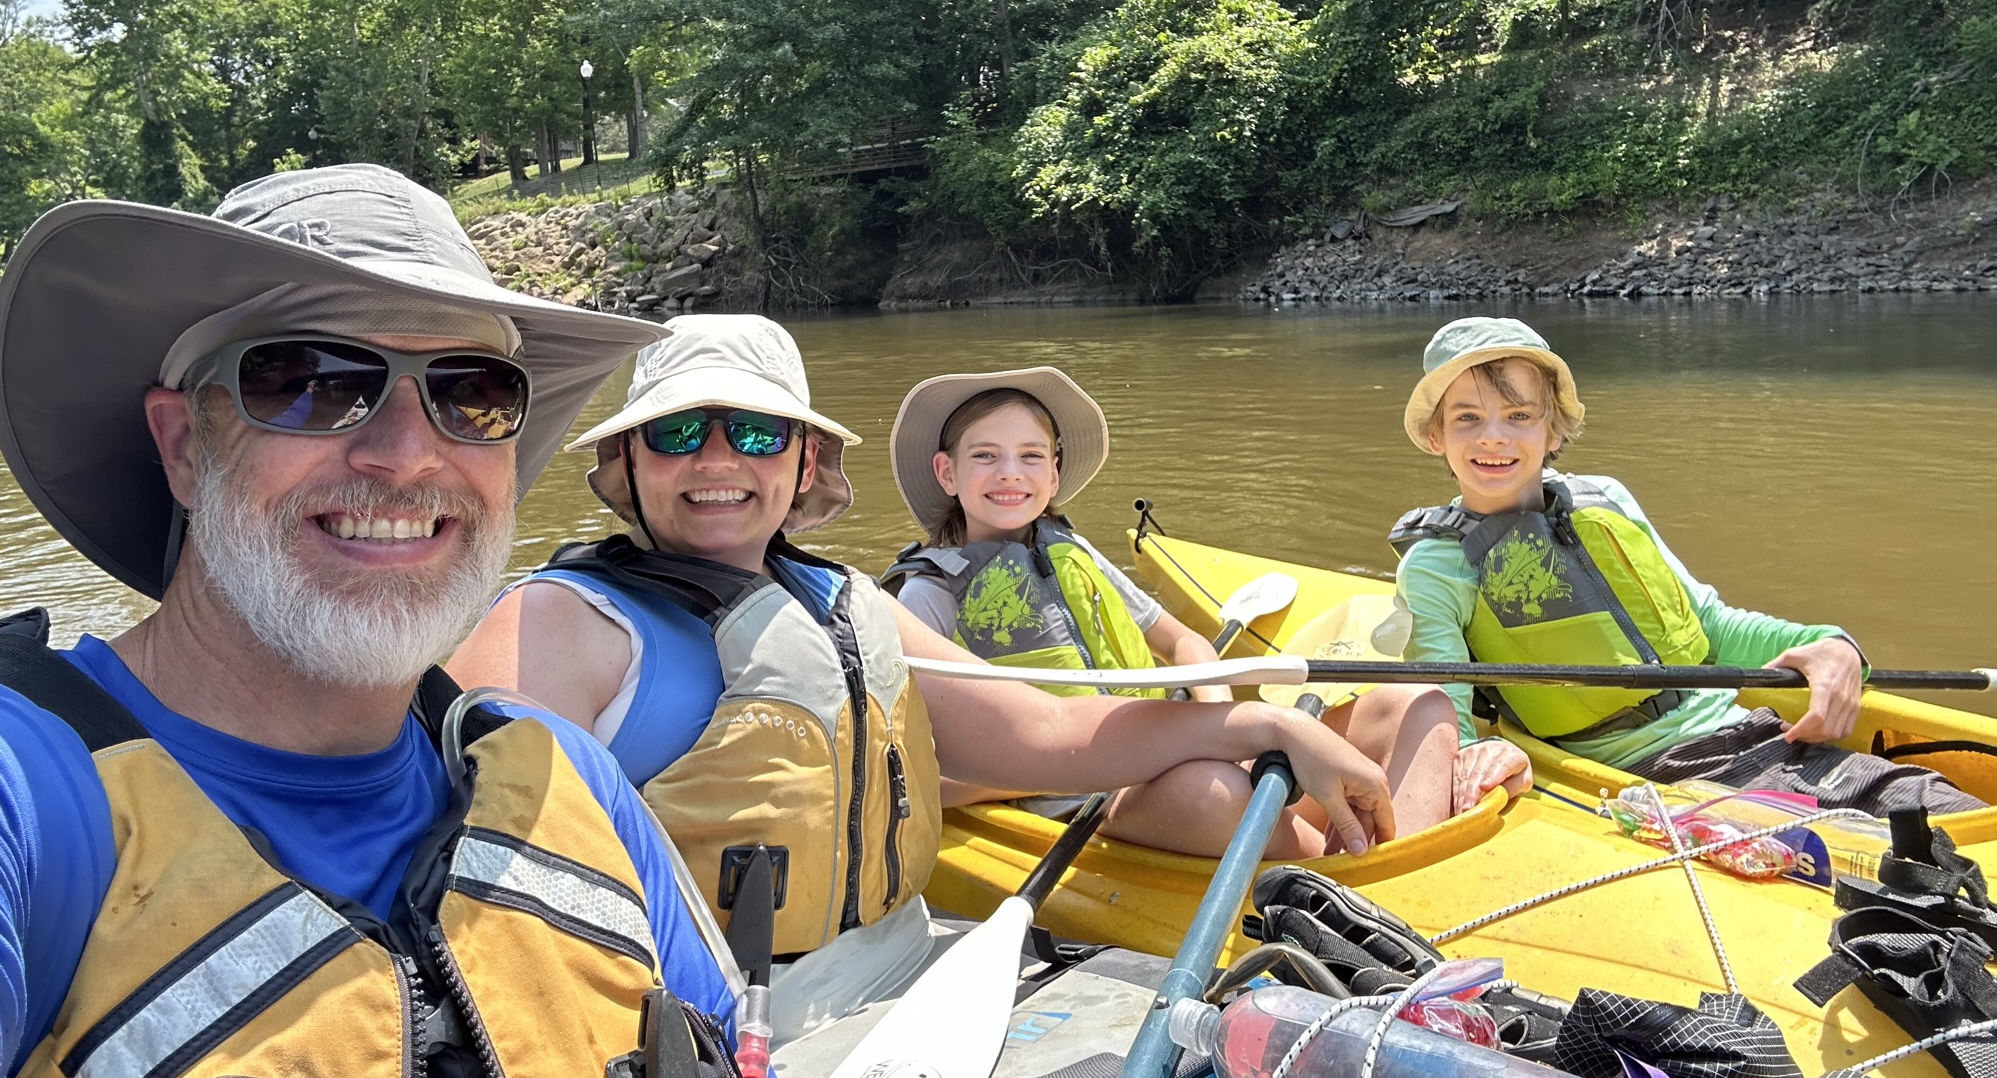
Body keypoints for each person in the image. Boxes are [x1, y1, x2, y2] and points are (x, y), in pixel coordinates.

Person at [0, 166, 816, 1078]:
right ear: (182, 447)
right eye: (310, 382)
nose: (404, 455)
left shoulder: (573, 782)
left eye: (471, 394)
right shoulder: (26, 797)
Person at [448, 316, 1409, 983]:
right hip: (722, 1032)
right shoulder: (558, 624)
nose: (718, 460)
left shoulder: (850, 603)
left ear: (805, 461)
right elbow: (462, 908)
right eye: (677, 432)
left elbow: (1048, 734)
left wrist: (1261, 726)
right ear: (627, 460)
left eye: (757, 432)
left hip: (914, 969)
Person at [1389, 315, 1982, 814]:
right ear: (1437, 436)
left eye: (1519, 415)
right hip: (1653, 779)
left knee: (1944, 812)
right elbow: (1445, 715)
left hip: (1756, 732)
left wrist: (1828, 643)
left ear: (1553, 430)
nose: (1493, 437)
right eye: (1467, 418)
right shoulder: (1437, 567)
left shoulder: (1607, 499)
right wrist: (1480, 754)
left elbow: (1708, 623)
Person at [883, 368, 1482, 843]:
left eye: (1031, 455)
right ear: (947, 473)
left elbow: (1185, 642)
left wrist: (1218, 725)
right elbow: (919, 774)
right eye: (985, 456)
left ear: (1055, 472)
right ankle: (1339, 876)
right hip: (1085, 799)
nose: (1011, 473)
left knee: (1418, 704)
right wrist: (1064, 768)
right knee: (1213, 792)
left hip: (1175, 749)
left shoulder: (1072, 552)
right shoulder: (928, 597)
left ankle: (1395, 867)